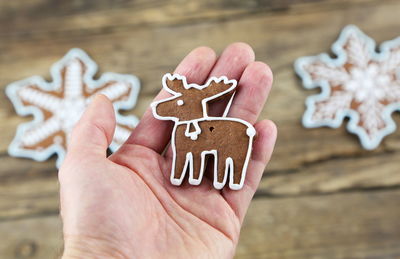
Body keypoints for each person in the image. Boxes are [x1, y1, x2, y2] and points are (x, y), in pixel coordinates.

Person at [59, 43, 277, 259]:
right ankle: (200, 176)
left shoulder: (218, 128)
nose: (171, 106)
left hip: (225, 136)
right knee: (195, 159)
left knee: (229, 164)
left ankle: (227, 177)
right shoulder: (182, 132)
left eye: (179, 104)